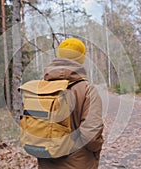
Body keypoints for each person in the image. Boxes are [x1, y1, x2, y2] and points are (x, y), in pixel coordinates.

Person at [37, 38, 104, 169]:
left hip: (46, 161)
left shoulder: (40, 87)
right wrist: (97, 148)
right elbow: (91, 135)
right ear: (81, 59)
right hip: (78, 163)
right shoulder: (86, 89)